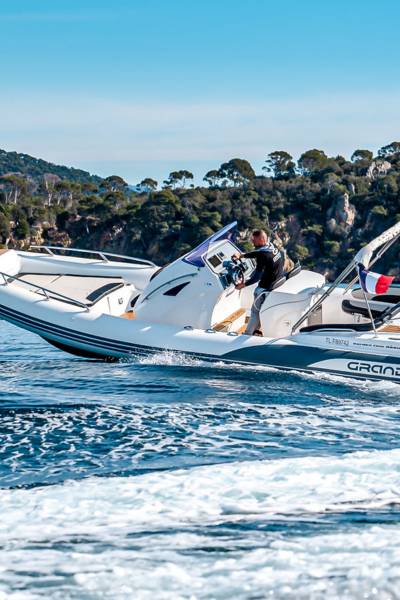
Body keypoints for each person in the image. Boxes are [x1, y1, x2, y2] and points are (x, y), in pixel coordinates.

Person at [232, 229, 284, 335]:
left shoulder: (263, 256)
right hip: (274, 284)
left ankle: (247, 334)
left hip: (264, 288)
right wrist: (242, 255)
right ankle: (257, 330)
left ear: (261, 239)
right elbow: (257, 253)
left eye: (254, 240)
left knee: (255, 312)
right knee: (261, 310)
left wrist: (243, 284)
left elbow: (256, 277)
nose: (252, 242)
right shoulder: (271, 247)